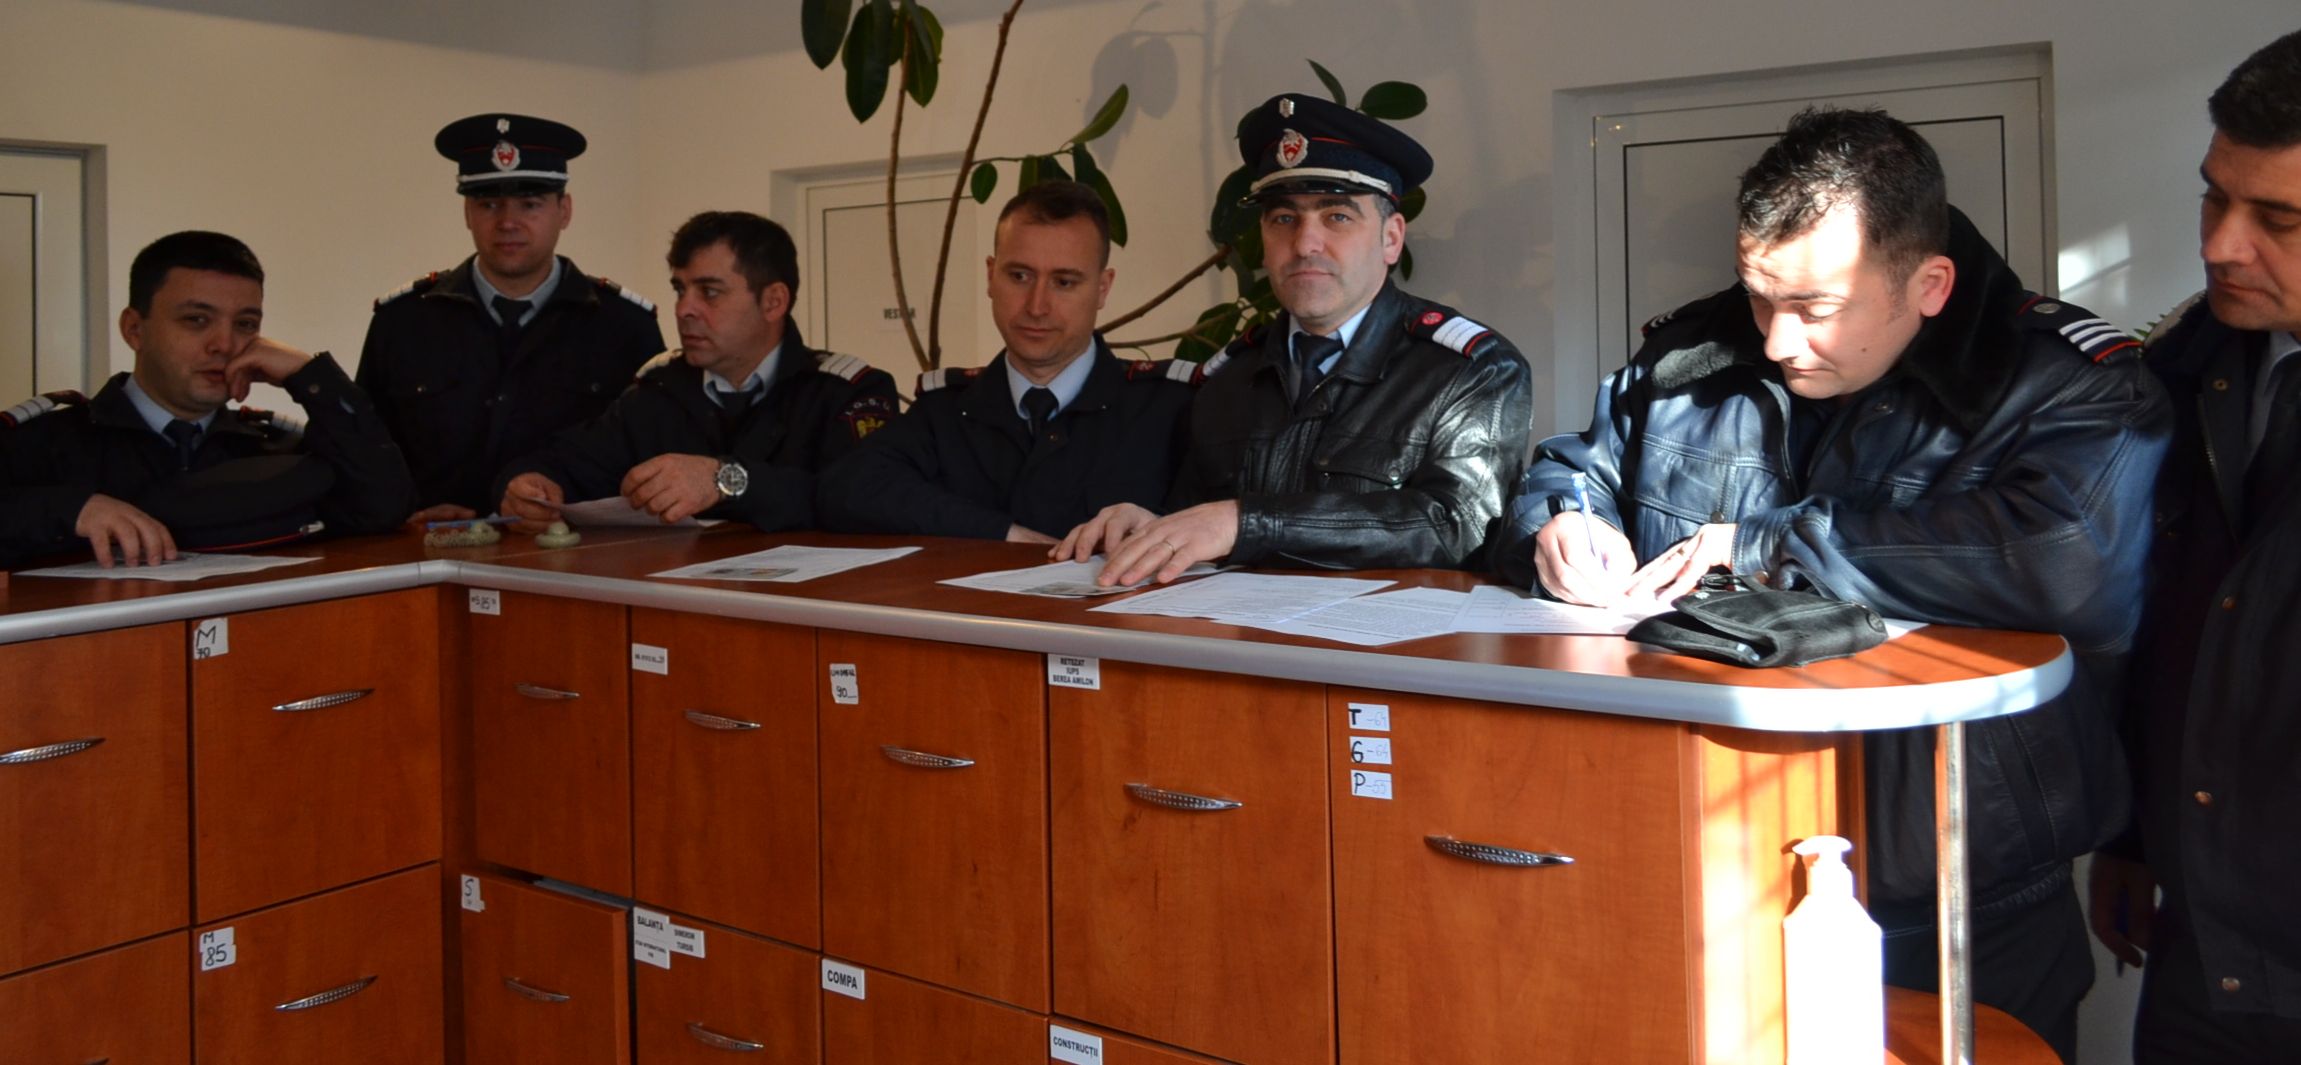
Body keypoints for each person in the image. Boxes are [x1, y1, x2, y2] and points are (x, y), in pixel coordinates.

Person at [1499, 107, 2171, 1061]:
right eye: (1758, 297)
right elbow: (1576, 462)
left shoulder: (2061, 382)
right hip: (1697, 852)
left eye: (1814, 309)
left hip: (1957, 884)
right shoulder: (1693, 352)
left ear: (1927, 285)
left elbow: (2063, 560)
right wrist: (1562, 518)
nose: (1776, 339)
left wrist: (1768, 542)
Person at [1056, 92, 1531, 582]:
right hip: (1237, 629)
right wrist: (1156, 529)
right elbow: (1204, 524)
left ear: (1391, 238)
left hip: (1389, 632)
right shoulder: (1232, 376)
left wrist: (1247, 523)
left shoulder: (1470, 370)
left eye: (1337, 216)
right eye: (1284, 219)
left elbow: (1456, 526)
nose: (1304, 244)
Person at [2090, 29, 2301, 1065]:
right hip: (2204, 950)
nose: (2220, 244)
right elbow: (2164, 615)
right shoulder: (2182, 366)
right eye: (2214, 198)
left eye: (2278, 220)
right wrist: (2132, 830)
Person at [0, 231, 413, 567]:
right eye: (196, 320)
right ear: (134, 330)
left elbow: (382, 506)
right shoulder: (45, 444)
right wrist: (70, 509)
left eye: (245, 324)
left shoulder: (273, 448)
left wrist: (312, 378)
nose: (225, 344)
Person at [817, 180, 1195, 542]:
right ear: (990, 276)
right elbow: (848, 488)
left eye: (1064, 282)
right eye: (1019, 276)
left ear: (1102, 288)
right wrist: (1001, 533)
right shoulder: (945, 410)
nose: (1037, 306)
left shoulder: (1167, 407)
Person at [495, 210, 897, 531]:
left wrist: (725, 480)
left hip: (808, 602)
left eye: (709, 292)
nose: (684, 309)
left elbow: (862, 500)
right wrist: (529, 484)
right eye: (680, 290)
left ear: (773, 301)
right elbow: (571, 461)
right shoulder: (659, 390)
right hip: (678, 595)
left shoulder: (845, 392)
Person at [356, 113, 664, 521]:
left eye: (530, 204)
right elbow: (365, 454)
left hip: (573, 547)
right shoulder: (403, 323)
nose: (507, 223)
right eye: (488, 204)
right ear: (467, 213)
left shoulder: (624, 327)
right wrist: (402, 516)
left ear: (565, 211)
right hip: (435, 549)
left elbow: (650, 456)